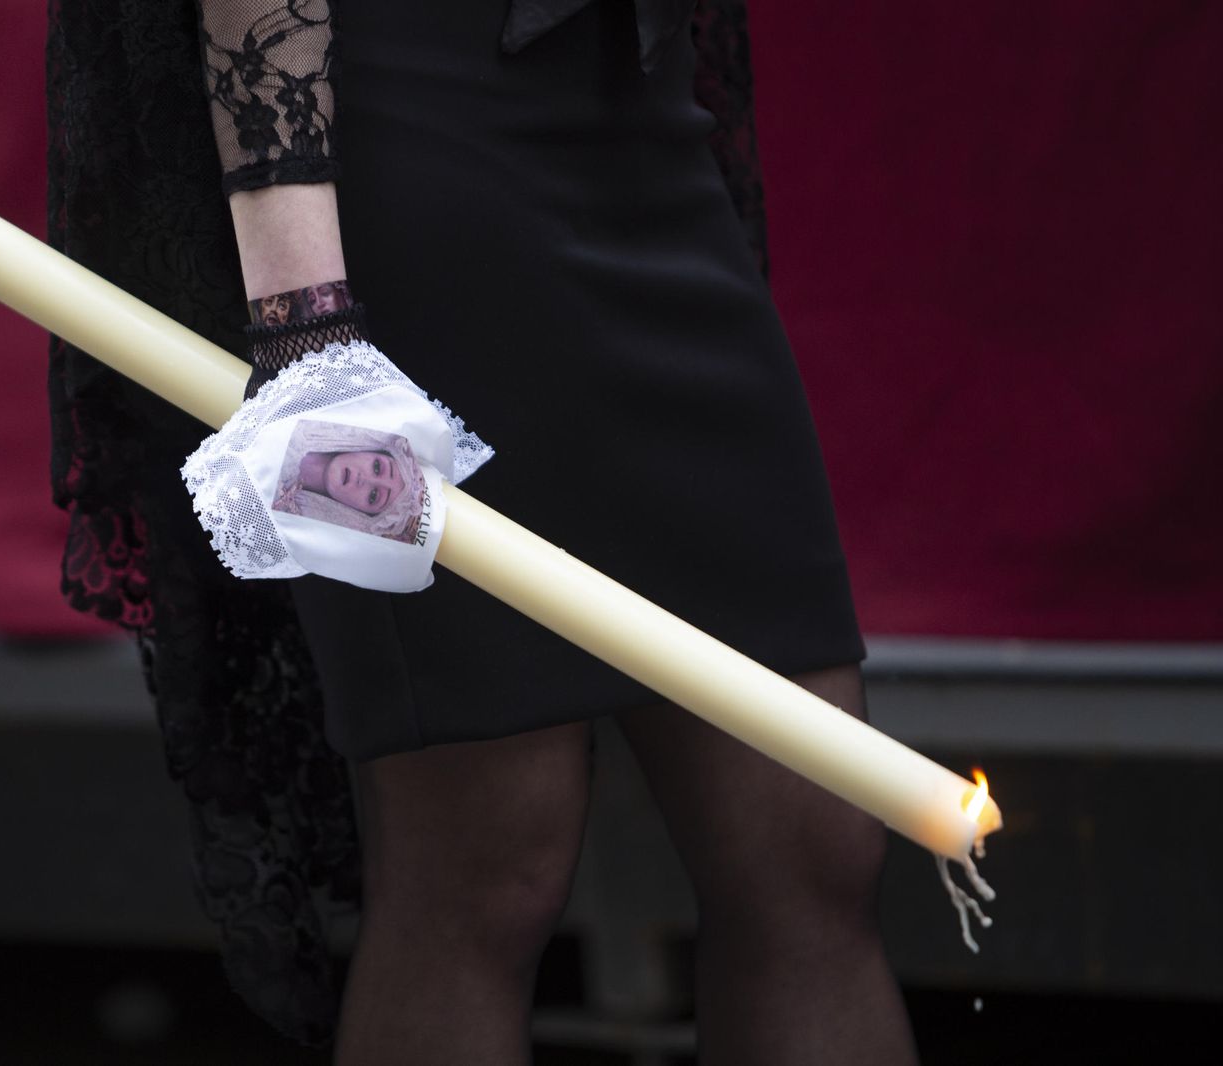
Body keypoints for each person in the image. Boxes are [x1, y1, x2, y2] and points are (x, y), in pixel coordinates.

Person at [45, 1, 921, 1063]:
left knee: (812, 837)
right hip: (404, 153)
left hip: (636, 125)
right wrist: (308, 333)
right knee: (485, 856)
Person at [271, 420, 428, 543]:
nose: (363, 479)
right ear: (371, 449)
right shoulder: (308, 420)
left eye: (373, 495)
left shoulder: (287, 526)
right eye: (377, 467)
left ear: (360, 514)